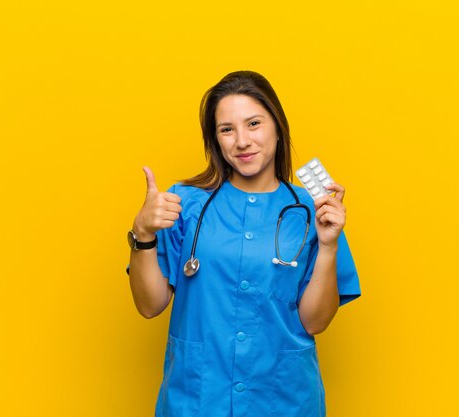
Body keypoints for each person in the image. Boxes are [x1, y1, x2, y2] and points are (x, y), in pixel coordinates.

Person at [126, 70, 361, 417]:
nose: (242, 141)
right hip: (198, 400)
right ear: (216, 140)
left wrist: (328, 246)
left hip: (283, 401)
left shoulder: (314, 211)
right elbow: (149, 306)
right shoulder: (183, 204)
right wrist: (142, 235)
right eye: (227, 129)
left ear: (277, 127)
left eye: (254, 124)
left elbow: (315, 322)